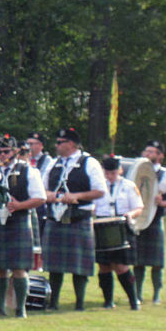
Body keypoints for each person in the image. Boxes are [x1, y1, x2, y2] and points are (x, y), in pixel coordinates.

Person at [42, 128, 106, 310]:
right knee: (54, 265)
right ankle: (53, 302)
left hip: (78, 217)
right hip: (56, 216)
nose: (56, 145)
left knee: (80, 265)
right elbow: (42, 188)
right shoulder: (53, 164)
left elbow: (100, 191)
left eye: (60, 142)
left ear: (71, 144)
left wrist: (77, 195)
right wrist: (50, 195)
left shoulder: (89, 163)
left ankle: (80, 303)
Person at [0, 135, 45, 318]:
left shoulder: (28, 171)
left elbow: (40, 198)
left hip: (18, 221)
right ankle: (0, 307)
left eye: (6, 152)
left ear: (14, 152)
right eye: (0, 152)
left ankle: (21, 308)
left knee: (19, 267)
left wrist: (19, 205)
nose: (3, 155)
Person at [92, 156, 143, 310]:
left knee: (121, 266)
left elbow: (139, 208)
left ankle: (133, 300)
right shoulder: (98, 187)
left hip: (121, 225)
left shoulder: (129, 186)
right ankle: (108, 301)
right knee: (104, 266)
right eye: (107, 173)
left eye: (113, 173)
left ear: (119, 171)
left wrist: (130, 215)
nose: (109, 176)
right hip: (102, 225)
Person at [132, 141, 166, 305]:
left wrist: (161, 202)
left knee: (157, 263)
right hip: (138, 220)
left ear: (160, 156)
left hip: (155, 220)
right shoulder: (136, 171)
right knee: (138, 262)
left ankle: (156, 294)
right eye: (146, 151)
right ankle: (137, 293)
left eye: (152, 152)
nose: (147, 154)